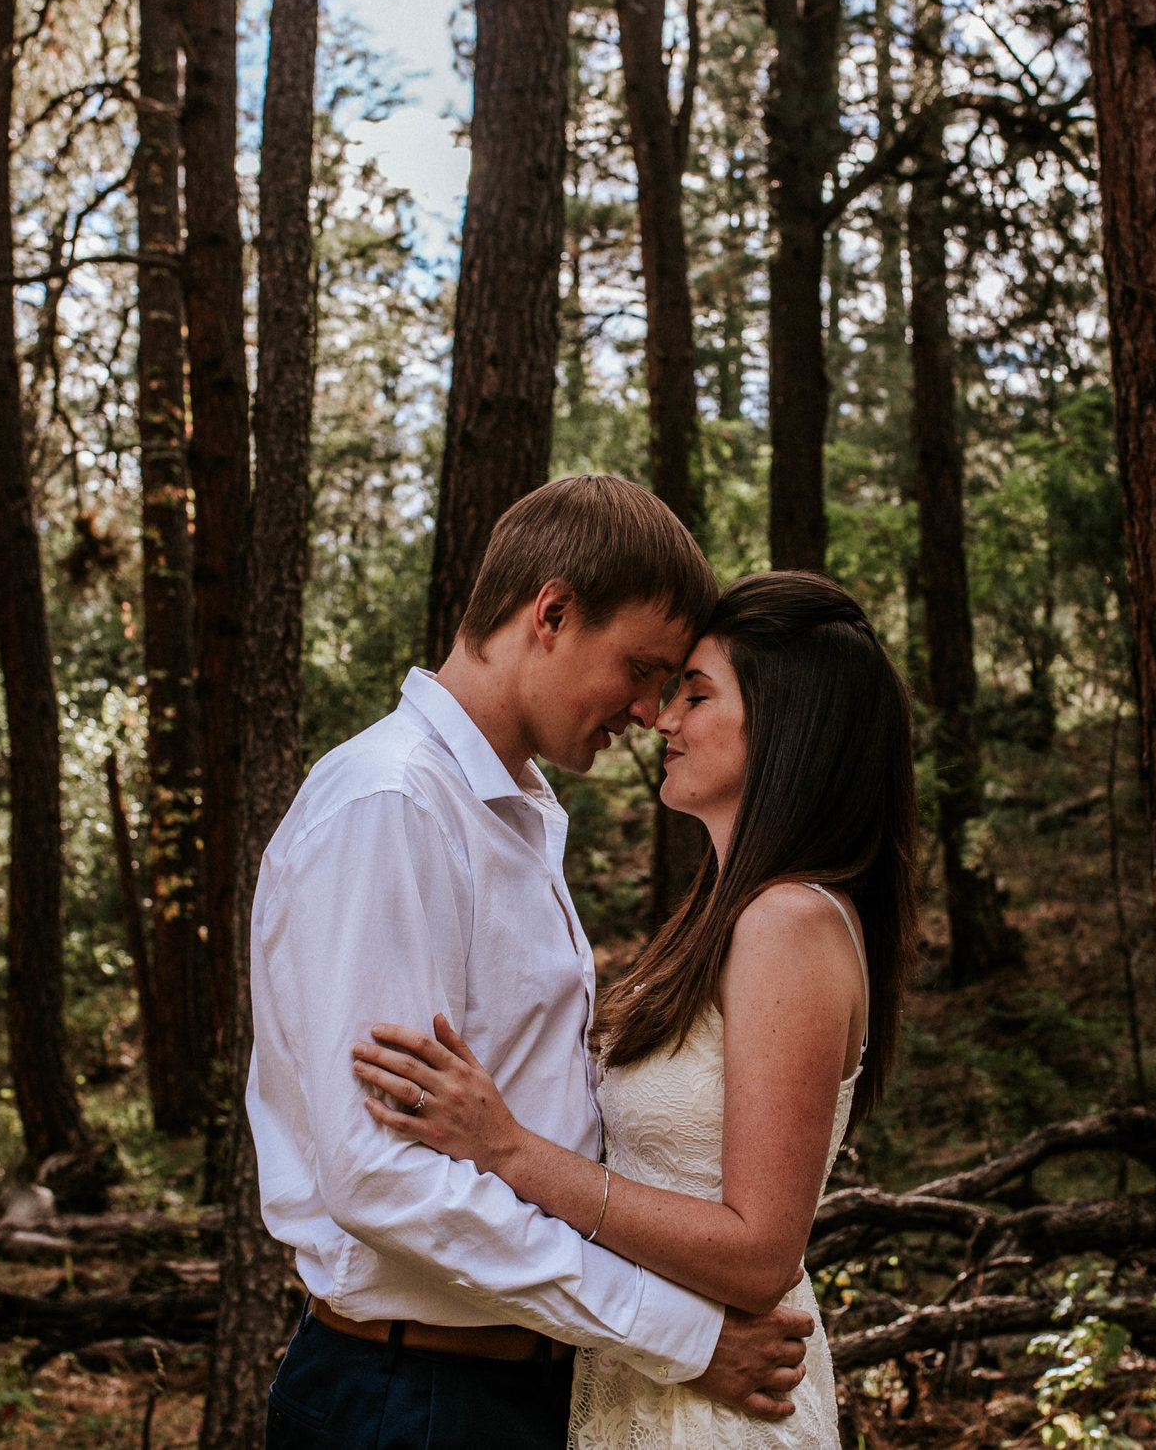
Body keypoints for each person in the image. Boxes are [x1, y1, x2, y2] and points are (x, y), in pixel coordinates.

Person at [248, 476, 817, 1450]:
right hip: (413, 1398)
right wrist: (678, 1336)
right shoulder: (391, 806)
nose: (647, 711)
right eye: (639, 668)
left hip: (503, 1390)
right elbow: (381, 1175)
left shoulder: (511, 814)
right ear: (550, 612)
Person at [354, 571, 920, 1449]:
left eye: (696, 694)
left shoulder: (790, 923)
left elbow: (760, 1251)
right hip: (651, 1371)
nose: (661, 719)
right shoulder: (729, 913)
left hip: (718, 1404)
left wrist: (508, 1148)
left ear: (787, 725)